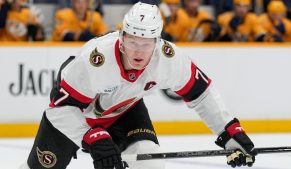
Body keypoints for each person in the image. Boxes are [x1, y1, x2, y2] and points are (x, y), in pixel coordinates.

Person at [20, 1, 257, 169]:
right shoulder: (94, 59)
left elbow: (201, 94)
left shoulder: (169, 58)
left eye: (146, 43)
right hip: (74, 117)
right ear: (121, 38)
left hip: (124, 111)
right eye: (133, 41)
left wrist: (229, 131)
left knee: (150, 161)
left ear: (157, 41)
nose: (138, 51)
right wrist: (91, 136)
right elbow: (59, 109)